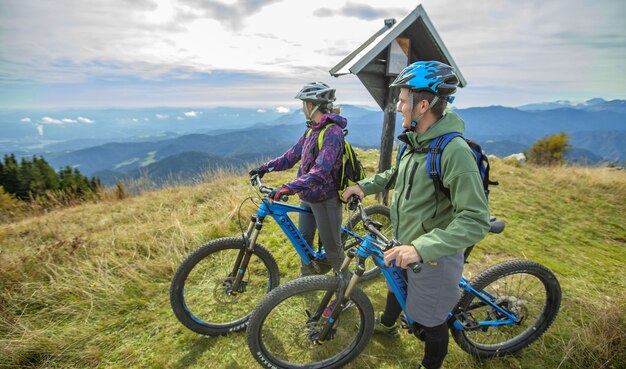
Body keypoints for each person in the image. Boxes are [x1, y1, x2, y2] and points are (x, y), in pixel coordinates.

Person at [342, 61, 491, 369]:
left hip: (434, 253)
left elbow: (475, 219)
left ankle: (430, 364)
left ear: (422, 105)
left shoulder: (454, 152)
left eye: (402, 99)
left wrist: (419, 248)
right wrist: (363, 186)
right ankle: (387, 324)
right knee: (395, 280)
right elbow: (397, 174)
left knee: (430, 321)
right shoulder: (415, 141)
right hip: (407, 238)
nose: (398, 107)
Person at [249, 82, 347, 277]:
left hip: (325, 200)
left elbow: (320, 173)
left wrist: (287, 188)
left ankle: (347, 295)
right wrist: (264, 168)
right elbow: (291, 156)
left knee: (334, 252)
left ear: (312, 106)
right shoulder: (312, 130)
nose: (302, 108)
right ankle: (306, 282)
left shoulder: (332, 133)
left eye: (304, 104)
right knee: (304, 241)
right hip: (308, 198)